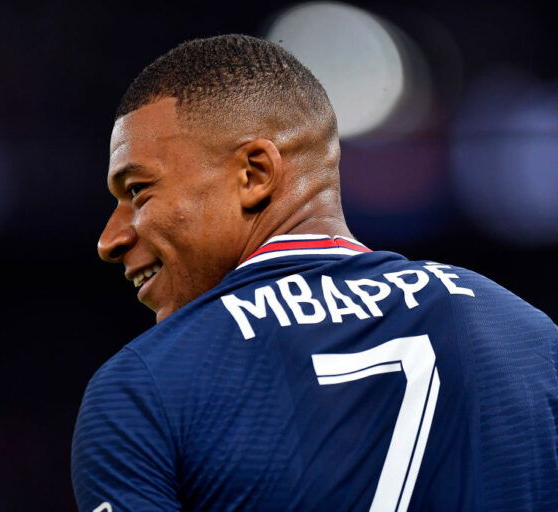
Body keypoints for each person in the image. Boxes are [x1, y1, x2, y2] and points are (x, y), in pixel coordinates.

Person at [71, 34, 558, 511]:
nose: (110, 240)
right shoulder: (531, 338)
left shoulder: (143, 389)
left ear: (255, 173)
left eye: (137, 191)